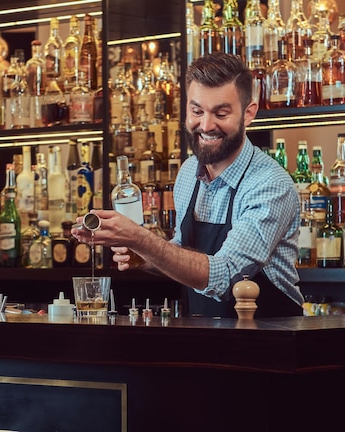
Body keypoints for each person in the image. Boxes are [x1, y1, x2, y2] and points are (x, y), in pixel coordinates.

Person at [72, 52, 303, 319]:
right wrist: (144, 256)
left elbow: (227, 276)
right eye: (196, 111)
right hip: (203, 338)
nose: (205, 125)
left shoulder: (269, 184)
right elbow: (182, 252)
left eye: (221, 113)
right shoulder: (188, 173)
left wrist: (137, 237)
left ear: (248, 113)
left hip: (270, 341)